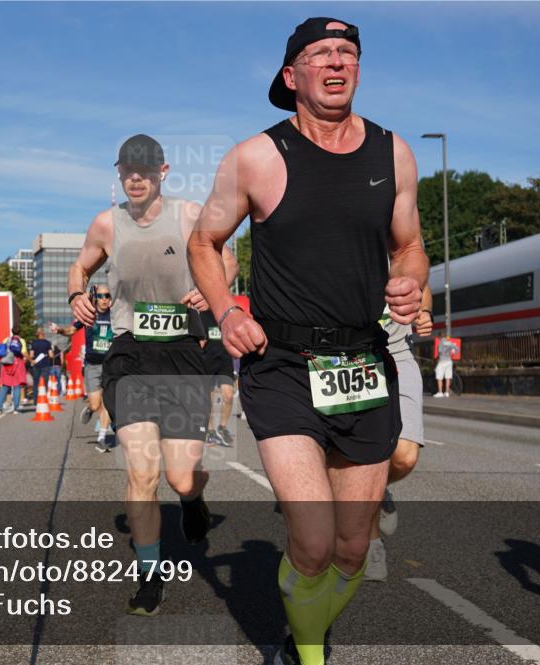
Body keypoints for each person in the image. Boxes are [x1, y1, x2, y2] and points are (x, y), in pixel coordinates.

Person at [187, 18, 427, 665]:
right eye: (320, 52)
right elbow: (203, 242)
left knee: (353, 549)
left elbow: (409, 247)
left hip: (364, 362)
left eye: (347, 51)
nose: (336, 61)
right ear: (292, 76)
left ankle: (303, 634)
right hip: (283, 364)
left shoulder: (394, 152)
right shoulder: (256, 156)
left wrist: (410, 284)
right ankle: (311, 655)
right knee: (315, 542)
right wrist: (224, 312)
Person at [68, 134, 238, 615]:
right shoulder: (106, 223)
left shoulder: (188, 216)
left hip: (184, 354)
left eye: (145, 169)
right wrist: (76, 294)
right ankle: (150, 575)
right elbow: (79, 268)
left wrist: (214, 291)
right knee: (142, 473)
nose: (136, 177)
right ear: (119, 173)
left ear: (163, 172)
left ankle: (192, 502)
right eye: (128, 170)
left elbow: (228, 258)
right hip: (132, 358)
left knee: (182, 479)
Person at [365, 286, 433, 582]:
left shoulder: (396, 242)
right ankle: (370, 545)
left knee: (404, 455)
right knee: (362, 461)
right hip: (346, 356)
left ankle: (377, 490)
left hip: (396, 352)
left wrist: (425, 311)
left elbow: (422, 286)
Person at [51, 284, 115, 452]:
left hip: (110, 364)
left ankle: (102, 438)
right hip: (92, 365)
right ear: (95, 298)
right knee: (96, 404)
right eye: (101, 296)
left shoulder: (116, 316)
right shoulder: (88, 315)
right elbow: (72, 329)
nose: (104, 299)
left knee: (108, 402)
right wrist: (59, 330)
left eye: (107, 296)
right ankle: (90, 408)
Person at [199, 309, 236, 447]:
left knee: (228, 395)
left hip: (225, 360)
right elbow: (200, 341)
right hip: (208, 360)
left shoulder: (224, 312)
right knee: (208, 399)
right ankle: (209, 431)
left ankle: (222, 428)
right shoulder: (202, 315)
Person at [0, 327, 26, 414]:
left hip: (6, 364)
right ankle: (16, 409)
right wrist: (30, 360)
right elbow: (23, 352)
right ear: (20, 332)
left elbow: (2, 351)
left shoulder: (6, 340)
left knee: (5, 386)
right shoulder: (21, 340)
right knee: (17, 386)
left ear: (11, 332)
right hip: (17, 364)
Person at [29, 328, 53, 396]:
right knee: (44, 382)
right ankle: (44, 398)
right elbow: (51, 355)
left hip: (36, 365)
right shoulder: (47, 343)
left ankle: (36, 401)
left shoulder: (33, 343)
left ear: (37, 334)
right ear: (43, 334)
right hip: (46, 365)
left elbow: (31, 355)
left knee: (36, 383)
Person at [434, 333, 458, 397]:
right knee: (448, 377)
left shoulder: (441, 343)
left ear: (439, 337)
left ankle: (440, 392)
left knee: (439, 377)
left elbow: (440, 352)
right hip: (449, 361)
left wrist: (437, 358)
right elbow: (457, 349)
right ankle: (447, 392)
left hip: (442, 361)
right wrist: (453, 353)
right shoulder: (449, 342)